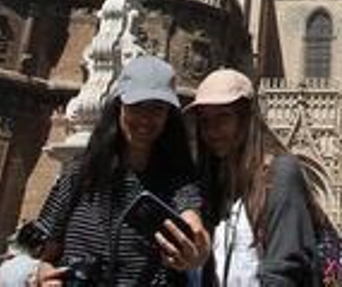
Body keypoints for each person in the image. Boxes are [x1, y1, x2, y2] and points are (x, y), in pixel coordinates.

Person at [33, 56, 210, 287]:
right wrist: (43, 275)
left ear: (168, 116)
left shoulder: (177, 181)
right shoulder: (79, 174)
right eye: (137, 106)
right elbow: (45, 254)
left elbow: (194, 226)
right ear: (119, 107)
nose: (146, 119)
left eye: (157, 109)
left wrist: (197, 251)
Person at [186, 68, 320, 287]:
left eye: (223, 117)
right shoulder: (216, 182)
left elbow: (284, 271)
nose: (212, 130)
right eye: (205, 121)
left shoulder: (279, 173)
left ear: (246, 117)